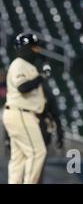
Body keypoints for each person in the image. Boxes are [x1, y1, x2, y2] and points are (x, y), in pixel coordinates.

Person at [2, 33, 49, 184]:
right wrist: (41, 76)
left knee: (19, 157)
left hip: (18, 113)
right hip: (21, 113)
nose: (35, 50)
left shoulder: (26, 65)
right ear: (24, 48)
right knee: (37, 152)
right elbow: (23, 87)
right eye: (32, 47)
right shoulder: (19, 64)